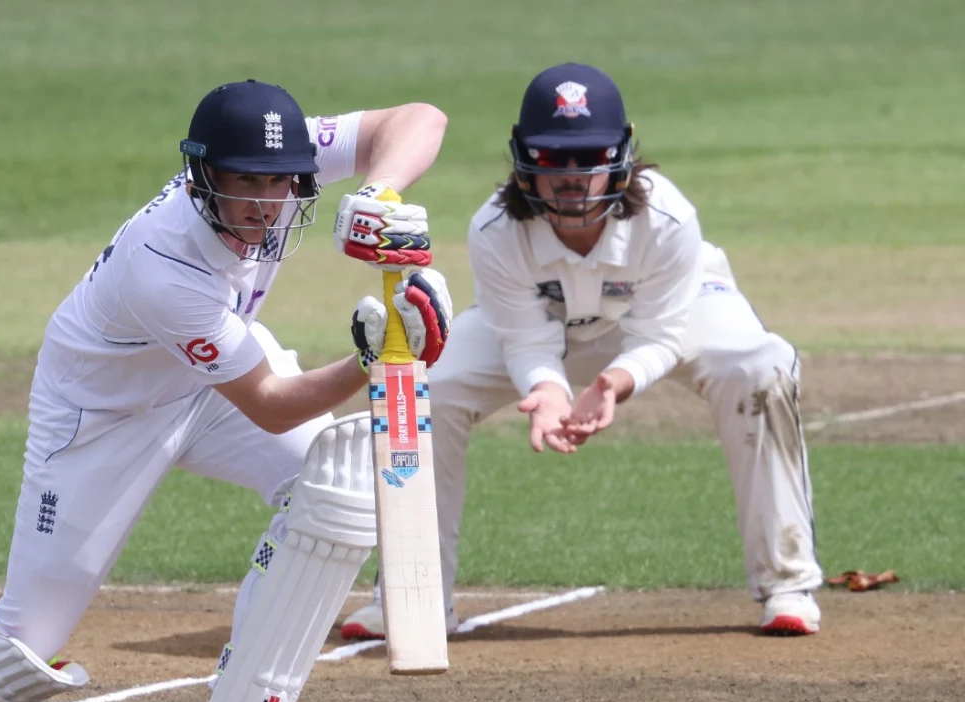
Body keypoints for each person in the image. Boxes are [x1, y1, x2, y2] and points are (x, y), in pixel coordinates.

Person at [0, 79, 453, 702]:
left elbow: (420, 118)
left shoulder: (284, 165)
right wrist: (372, 355)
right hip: (101, 416)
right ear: (203, 176)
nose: (265, 203)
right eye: (244, 182)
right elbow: (271, 403)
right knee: (9, 663)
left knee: (335, 485)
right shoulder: (162, 264)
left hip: (204, 385)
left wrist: (377, 195)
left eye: (279, 182)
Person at [341, 63, 823, 641]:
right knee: (429, 385)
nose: (574, 176)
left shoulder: (667, 220)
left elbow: (662, 335)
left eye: (590, 156)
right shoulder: (495, 230)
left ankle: (787, 582)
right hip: (548, 325)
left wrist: (614, 383)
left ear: (621, 154)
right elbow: (525, 338)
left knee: (760, 366)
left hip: (667, 312)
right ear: (524, 159)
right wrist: (546, 390)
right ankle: (410, 595)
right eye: (554, 159)